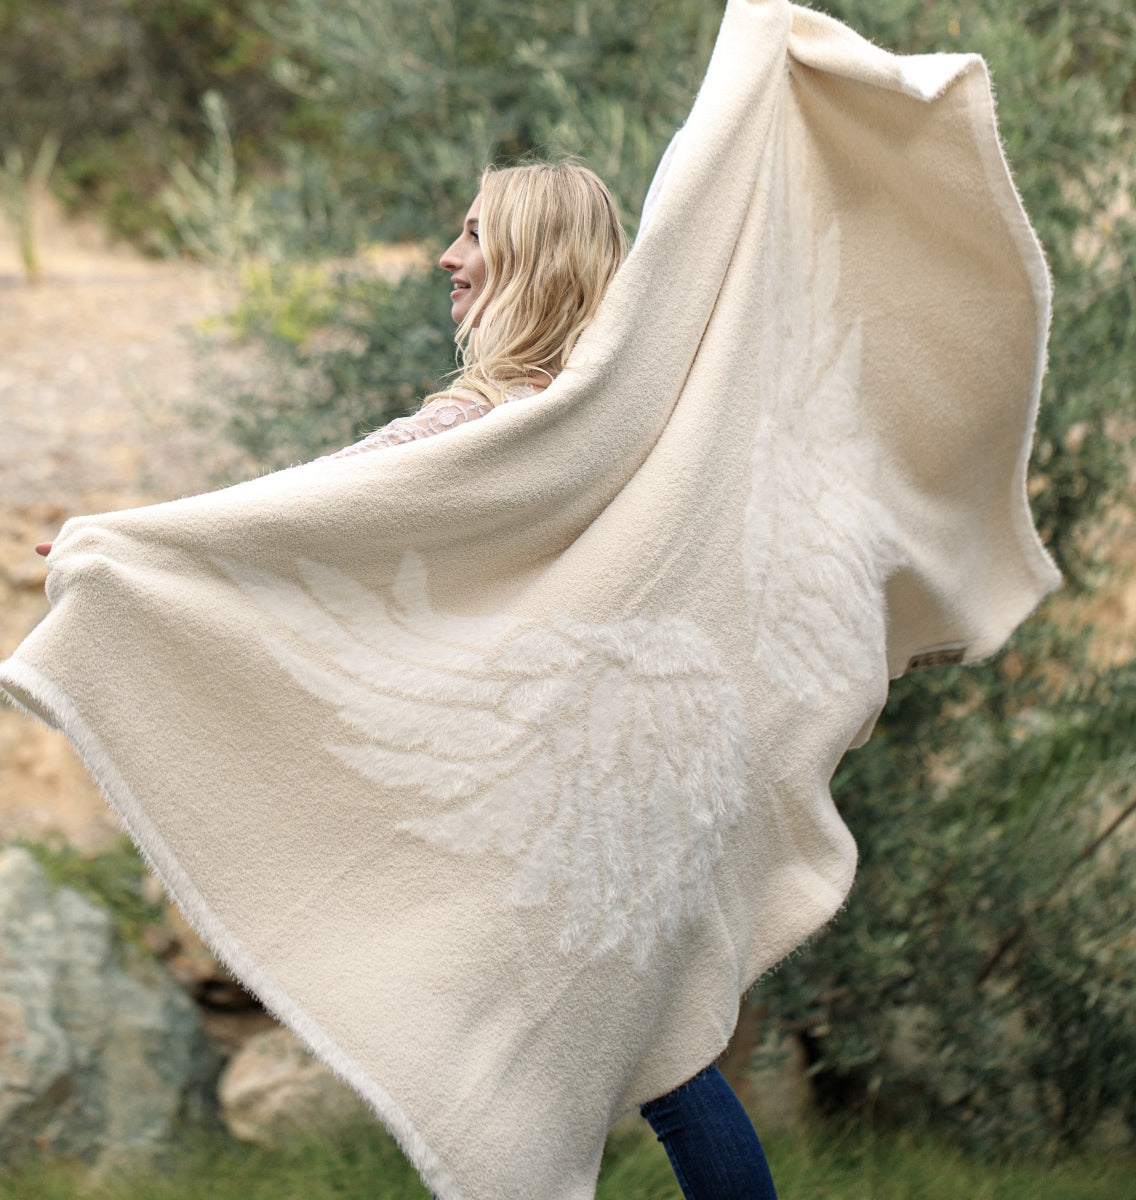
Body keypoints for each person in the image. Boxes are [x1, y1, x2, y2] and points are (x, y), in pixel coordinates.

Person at [331, 159, 778, 1200]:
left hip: (536, 803)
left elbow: (310, 506)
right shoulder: (621, 418)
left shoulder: (478, 424)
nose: (450, 255)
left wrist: (130, 545)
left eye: (478, 235)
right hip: (635, 784)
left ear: (534, 261)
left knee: (480, 1062)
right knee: (666, 1065)